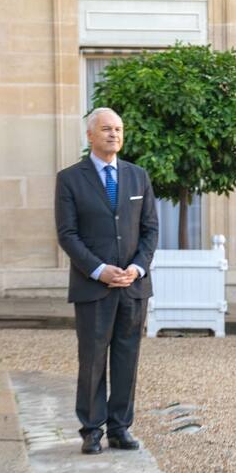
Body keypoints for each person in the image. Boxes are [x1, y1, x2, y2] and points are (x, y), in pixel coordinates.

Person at [54, 107, 159, 454]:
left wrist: (137, 268)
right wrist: (99, 270)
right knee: (93, 360)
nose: (114, 134)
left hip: (132, 287)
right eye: (106, 129)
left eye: (118, 128)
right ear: (90, 135)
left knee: (127, 360)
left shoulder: (138, 176)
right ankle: (91, 429)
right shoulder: (69, 179)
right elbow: (68, 234)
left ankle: (120, 428)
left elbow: (150, 230)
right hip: (93, 288)